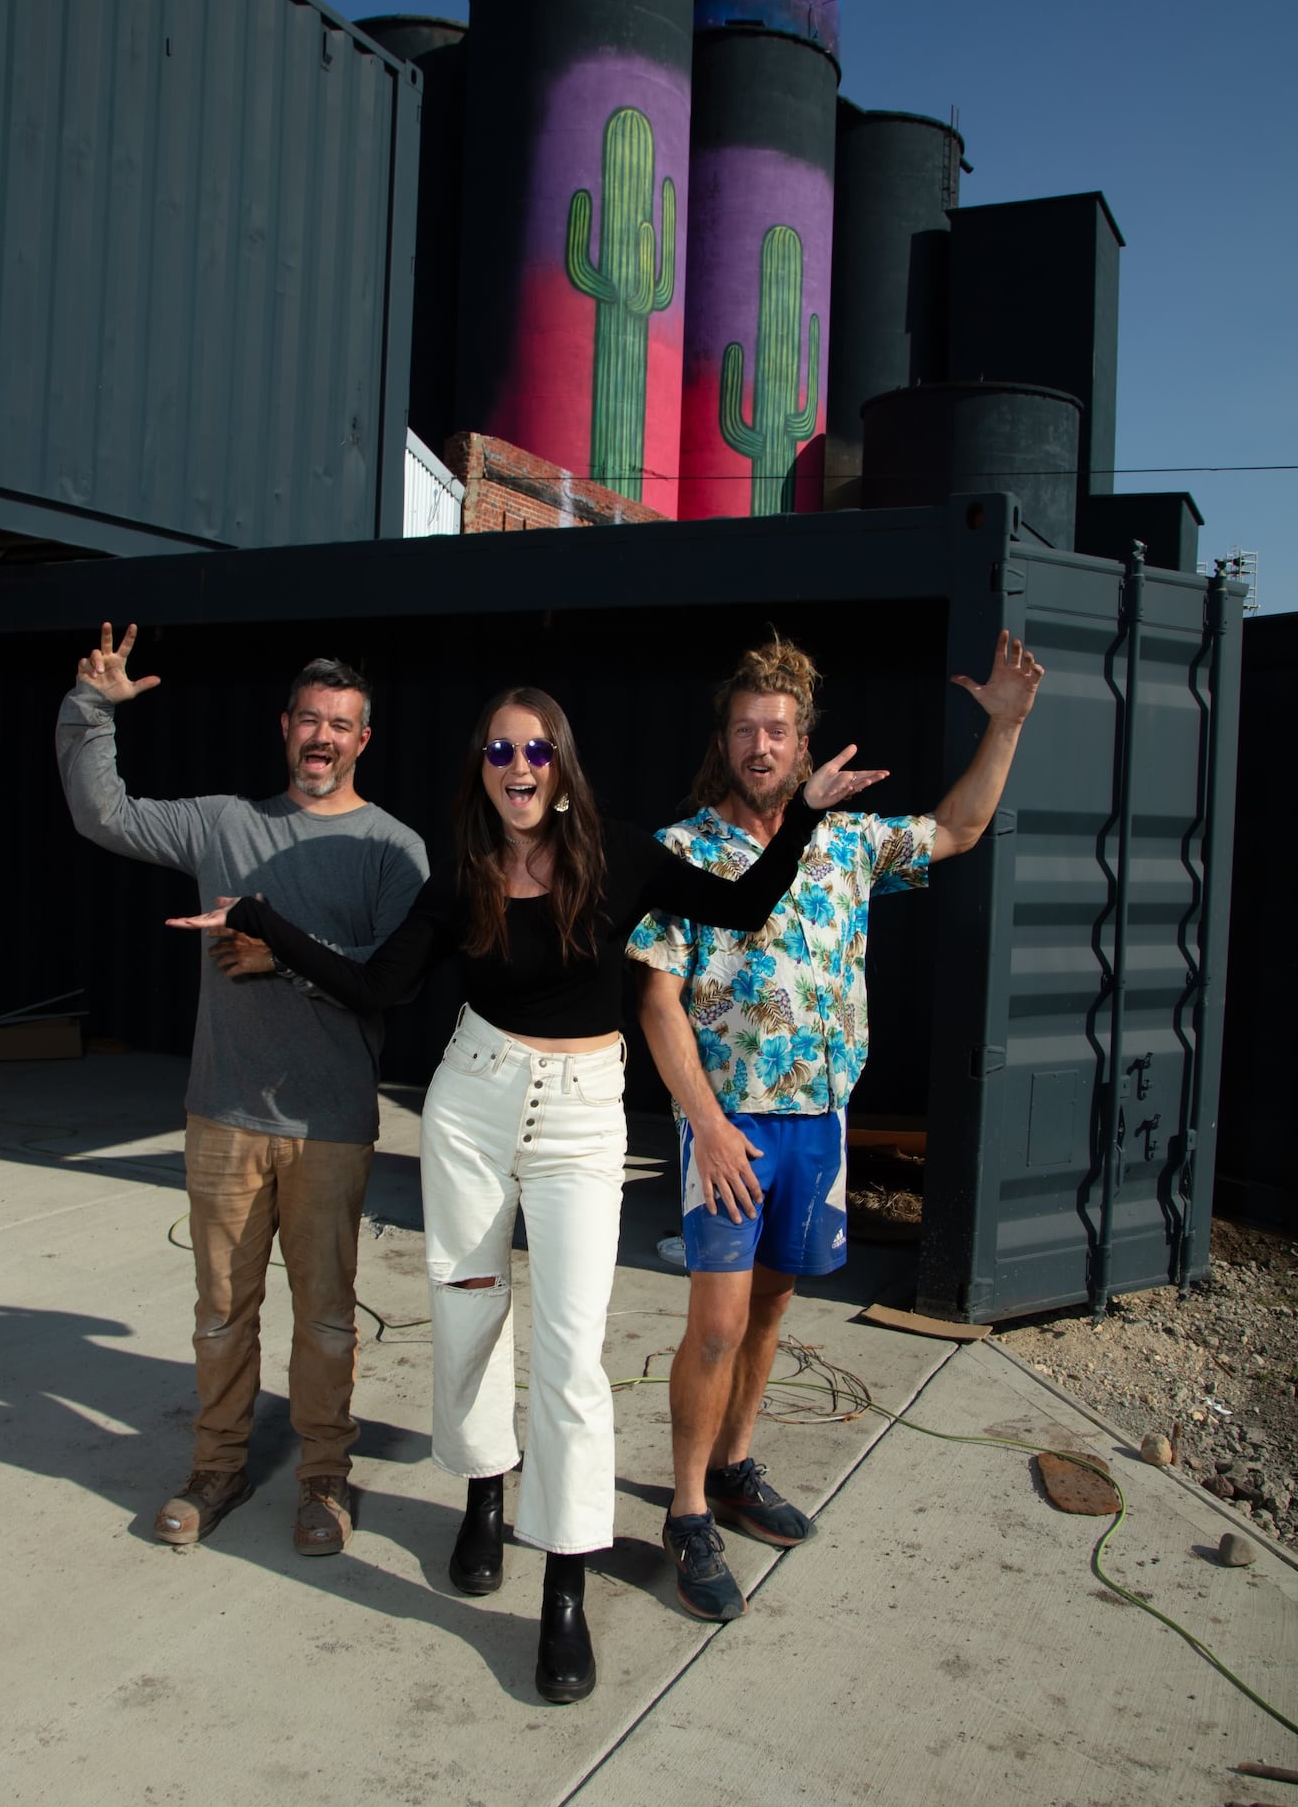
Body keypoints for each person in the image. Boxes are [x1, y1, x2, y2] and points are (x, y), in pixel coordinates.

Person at [168, 686, 885, 1704]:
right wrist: (263, 919)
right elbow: (379, 990)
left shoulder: (621, 857)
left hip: (586, 1111)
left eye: (536, 750)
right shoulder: (460, 875)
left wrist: (805, 811)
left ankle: (563, 1586)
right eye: (500, 749)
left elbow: (743, 904)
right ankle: (481, 1489)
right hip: (472, 1101)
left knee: (570, 1350)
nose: (518, 766)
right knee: (467, 1315)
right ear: (482, 765)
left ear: (561, 765)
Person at [628, 629, 1045, 1623]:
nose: (761, 746)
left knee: (772, 1311)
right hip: (727, 1126)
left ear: (803, 741)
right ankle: (686, 1510)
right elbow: (655, 1001)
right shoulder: (685, 851)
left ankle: (732, 1467)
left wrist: (1007, 726)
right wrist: (706, 1125)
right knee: (717, 1321)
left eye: (777, 730)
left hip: (818, 1121)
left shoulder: (848, 844)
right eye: (745, 730)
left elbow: (958, 830)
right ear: (723, 742)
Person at [57, 625, 428, 1556]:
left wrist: (283, 958)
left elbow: (398, 978)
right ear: (284, 727)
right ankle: (216, 1469)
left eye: (341, 725)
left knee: (327, 1319)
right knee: (221, 1314)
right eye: (309, 719)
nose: (323, 738)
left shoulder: (395, 850)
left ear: (363, 741)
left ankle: (323, 1478)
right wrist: (92, 709)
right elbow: (102, 814)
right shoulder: (226, 824)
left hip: (329, 1124)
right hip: (222, 1114)